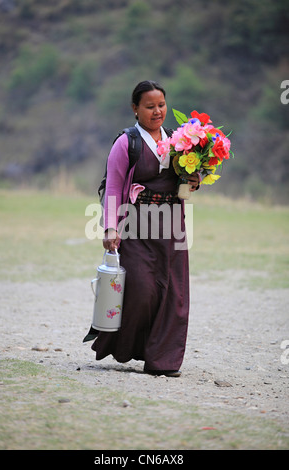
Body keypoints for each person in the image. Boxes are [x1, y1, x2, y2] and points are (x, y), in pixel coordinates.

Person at [91, 80, 200, 377]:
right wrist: (110, 228)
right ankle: (128, 347)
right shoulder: (127, 142)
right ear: (135, 109)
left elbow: (188, 176)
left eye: (161, 105)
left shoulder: (180, 140)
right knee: (142, 290)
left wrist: (194, 180)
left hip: (171, 225)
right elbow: (113, 187)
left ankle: (162, 361)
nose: (157, 111)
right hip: (135, 224)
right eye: (149, 106)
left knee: (173, 292)